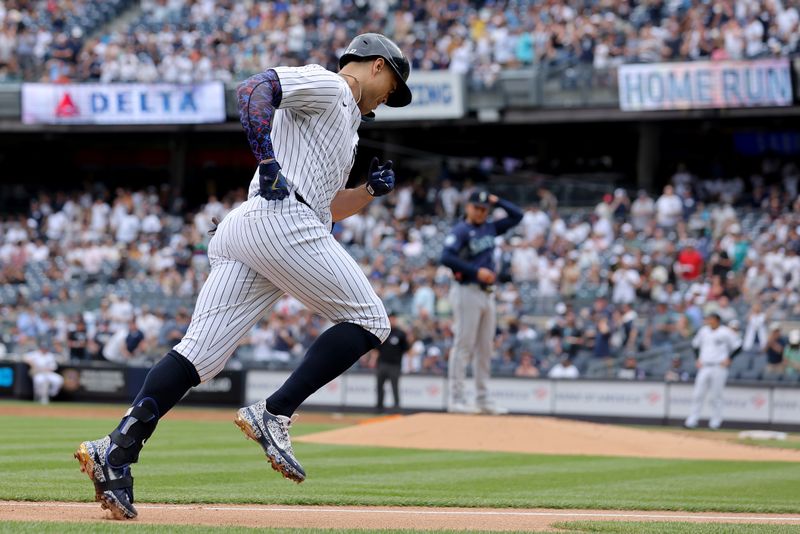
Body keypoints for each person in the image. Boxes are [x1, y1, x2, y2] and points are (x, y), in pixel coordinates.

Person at [74, 32, 412, 520]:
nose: (388, 100)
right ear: (377, 66)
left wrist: (367, 192)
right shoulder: (332, 86)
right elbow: (254, 88)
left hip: (262, 225)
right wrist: (267, 159)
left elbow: (327, 207)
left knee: (199, 356)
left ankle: (116, 450)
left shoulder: (346, 126)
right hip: (279, 222)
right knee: (370, 320)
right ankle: (274, 412)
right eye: (392, 88)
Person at [440, 190, 523, 414]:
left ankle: (482, 398)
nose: (481, 212)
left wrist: (498, 200)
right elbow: (446, 257)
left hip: (487, 293)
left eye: (485, 209)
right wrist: (476, 272)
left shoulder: (489, 227)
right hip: (467, 289)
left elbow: (517, 216)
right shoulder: (461, 230)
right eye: (477, 207)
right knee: (464, 345)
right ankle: (456, 399)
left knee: (485, 347)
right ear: (468, 207)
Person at [684, 313, 742, 430]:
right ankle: (692, 420)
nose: (708, 321)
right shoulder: (704, 331)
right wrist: (697, 359)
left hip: (719, 366)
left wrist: (729, 358)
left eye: (710, 319)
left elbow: (738, 345)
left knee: (716, 396)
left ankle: (715, 423)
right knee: (697, 394)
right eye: (708, 319)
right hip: (705, 366)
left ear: (717, 320)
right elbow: (695, 345)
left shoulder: (725, 331)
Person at [372, 313, 410, 413]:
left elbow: (406, 349)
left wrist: (408, 364)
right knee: (379, 386)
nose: (392, 320)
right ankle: (379, 407)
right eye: (390, 318)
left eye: (394, 319)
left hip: (395, 365)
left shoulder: (401, 334)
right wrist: (373, 360)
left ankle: (396, 407)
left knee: (395, 386)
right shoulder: (383, 331)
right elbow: (377, 349)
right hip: (382, 363)